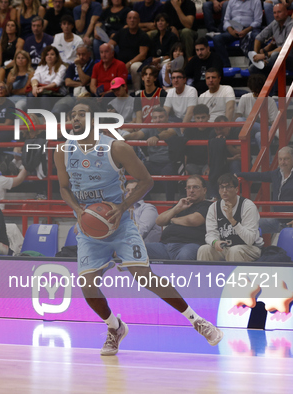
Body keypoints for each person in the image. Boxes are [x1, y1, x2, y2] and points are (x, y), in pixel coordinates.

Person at [54, 100, 222, 357]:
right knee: (87, 285)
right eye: (73, 115)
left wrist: (122, 207)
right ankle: (114, 327)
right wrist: (78, 210)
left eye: (83, 114)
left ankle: (196, 320)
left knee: (144, 277)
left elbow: (146, 181)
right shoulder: (63, 151)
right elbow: (64, 187)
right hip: (90, 228)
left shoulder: (116, 147)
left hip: (119, 223)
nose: (76, 118)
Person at [198, 173, 263, 262]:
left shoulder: (248, 206)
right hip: (225, 248)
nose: (224, 191)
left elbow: (250, 240)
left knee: (234, 251)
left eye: (228, 187)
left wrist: (232, 220)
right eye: (222, 187)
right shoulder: (214, 207)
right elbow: (210, 234)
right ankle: (207, 276)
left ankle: (233, 276)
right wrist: (215, 242)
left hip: (249, 248)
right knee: (204, 249)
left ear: (236, 189)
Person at [146, 175, 213, 260]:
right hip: (164, 246)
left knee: (185, 256)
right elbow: (159, 221)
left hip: (189, 245)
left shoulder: (208, 206)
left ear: (204, 190)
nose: (191, 190)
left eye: (195, 187)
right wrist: (176, 208)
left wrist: (172, 220)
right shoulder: (180, 205)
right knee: (138, 249)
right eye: (188, 188)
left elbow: (194, 220)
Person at [236, 146, 293, 234]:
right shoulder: (277, 173)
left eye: (286, 159)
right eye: (280, 159)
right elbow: (259, 176)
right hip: (277, 220)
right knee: (248, 226)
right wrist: (237, 174)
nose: (282, 162)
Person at [124, 107, 178, 200]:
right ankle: (146, 201)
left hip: (169, 162)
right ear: (152, 119)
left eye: (161, 117)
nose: (158, 120)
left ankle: (170, 203)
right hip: (153, 163)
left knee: (168, 173)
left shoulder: (173, 126)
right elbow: (136, 135)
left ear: (167, 117)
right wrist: (120, 138)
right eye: (155, 117)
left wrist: (157, 137)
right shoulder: (149, 127)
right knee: (137, 171)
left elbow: (169, 133)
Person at [108, 11, 150, 92]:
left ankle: (136, 91)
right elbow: (110, 45)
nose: (132, 20)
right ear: (127, 20)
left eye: (134, 18)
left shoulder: (143, 36)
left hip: (135, 63)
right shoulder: (122, 32)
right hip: (121, 63)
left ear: (138, 20)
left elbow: (142, 55)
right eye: (130, 18)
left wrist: (129, 64)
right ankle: (112, 91)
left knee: (135, 67)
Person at [213, 0, 262, 68]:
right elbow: (226, 20)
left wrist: (246, 30)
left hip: (249, 29)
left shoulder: (256, 1)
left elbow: (258, 21)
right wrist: (231, 30)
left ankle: (252, 65)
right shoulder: (231, 1)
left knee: (256, 36)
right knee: (217, 39)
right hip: (233, 30)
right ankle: (226, 65)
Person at [249, 3, 293, 75]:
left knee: (275, 56)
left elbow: (285, 48)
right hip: (277, 58)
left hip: (292, 59)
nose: (276, 15)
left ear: (286, 12)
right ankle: (264, 86)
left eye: (279, 12)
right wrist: (256, 54)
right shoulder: (275, 23)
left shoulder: (292, 25)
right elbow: (258, 38)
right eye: (274, 13)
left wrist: (264, 55)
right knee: (252, 68)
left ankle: (275, 86)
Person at [52, 43, 95, 113]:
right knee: (58, 107)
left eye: (83, 54)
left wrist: (78, 66)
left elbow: (84, 80)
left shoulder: (93, 65)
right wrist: (82, 83)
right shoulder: (72, 66)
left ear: (89, 54)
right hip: (72, 95)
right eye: (79, 54)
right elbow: (67, 82)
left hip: (87, 95)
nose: (81, 57)